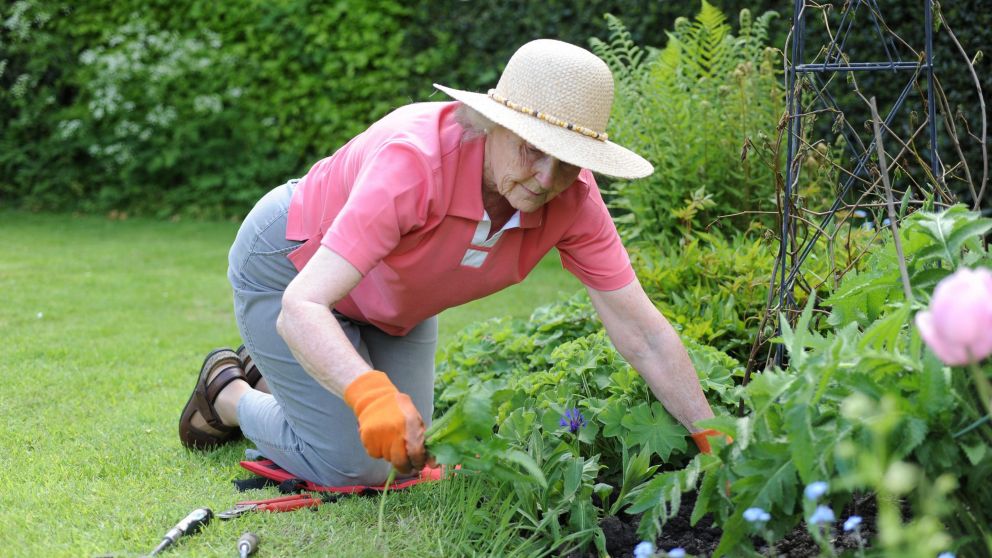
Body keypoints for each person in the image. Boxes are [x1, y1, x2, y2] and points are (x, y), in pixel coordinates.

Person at [178, 39, 722, 486]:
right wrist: (369, 395)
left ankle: (283, 372)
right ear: (494, 123)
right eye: (534, 149)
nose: (545, 180)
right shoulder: (415, 162)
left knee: (406, 455)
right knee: (354, 467)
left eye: (569, 163)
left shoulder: (573, 200)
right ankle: (230, 393)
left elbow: (643, 333)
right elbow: (303, 305)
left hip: (393, 302)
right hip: (292, 268)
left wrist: (712, 436)